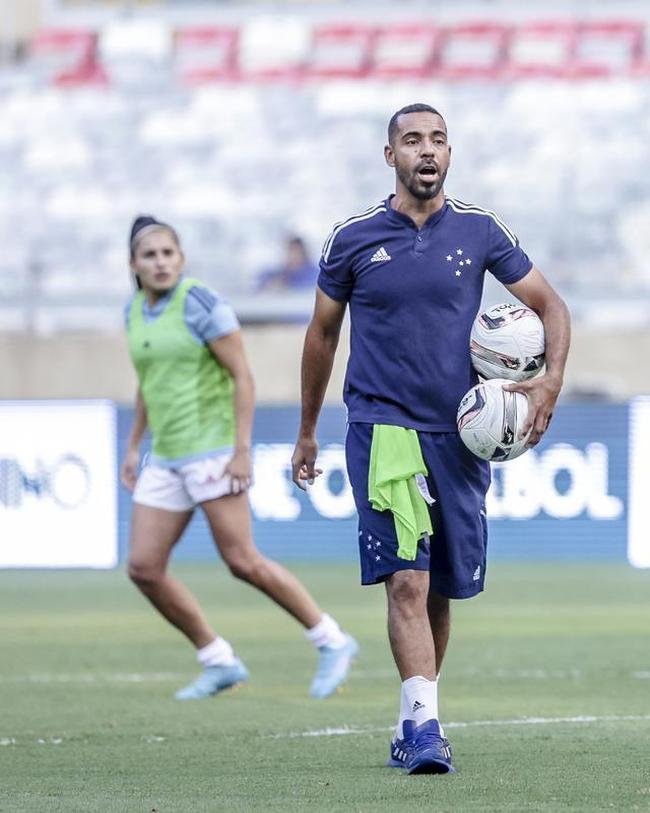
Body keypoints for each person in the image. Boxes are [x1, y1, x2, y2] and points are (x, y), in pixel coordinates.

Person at [291, 104, 570, 774]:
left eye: (438, 140)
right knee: (407, 582)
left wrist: (549, 382)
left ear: (449, 153)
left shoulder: (480, 229)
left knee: (440, 586)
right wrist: (307, 430)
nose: (427, 150)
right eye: (413, 140)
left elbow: (550, 306)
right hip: (381, 426)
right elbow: (322, 335)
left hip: (461, 434)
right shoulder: (352, 237)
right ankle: (425, 729)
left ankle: (412, 718)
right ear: (390, 155)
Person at [121, 215, 358, 701]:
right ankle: (218, 659)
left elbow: (242, 377)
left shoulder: (200, 304)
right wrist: (133, 444)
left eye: (168, 253)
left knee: (243, 561)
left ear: (181, 258)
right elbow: (148, 382)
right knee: (143, 567)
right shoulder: (133, 312)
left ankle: (331, 639)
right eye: (150, 255)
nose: (160, 262)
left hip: (213, 450)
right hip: (166, 456)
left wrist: (241, 451)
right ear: (134, 265)